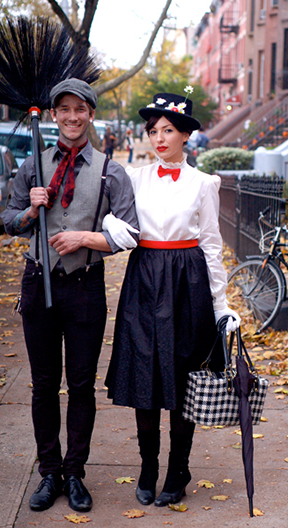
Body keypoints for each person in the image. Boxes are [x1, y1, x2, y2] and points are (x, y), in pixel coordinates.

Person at [1, 78, 139, 514]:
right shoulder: (34, 166)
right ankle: (48, 472)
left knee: (80, 385)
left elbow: (130, 234)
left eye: (81, 109)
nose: (73, 117)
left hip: (85, 287)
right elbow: (7, 219)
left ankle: (75, 472)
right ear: (54, 114)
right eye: (64, 109)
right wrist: (29, 209)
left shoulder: (110, 170)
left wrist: (85, 236)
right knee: (43, 385)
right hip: (37, 280)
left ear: (91, 114)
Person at [104, 92, 241, 508]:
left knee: (184, 378)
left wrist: (221, 307)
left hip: (188, 284)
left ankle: (178, 471)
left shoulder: (204, 183)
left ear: (185, 135)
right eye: (153, 131)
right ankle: (147, 468)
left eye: (168, 130)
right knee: (145, 375)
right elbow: (114, 223)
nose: (158, 138)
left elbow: (212, 245)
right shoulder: (132, 177)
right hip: (145, 279)